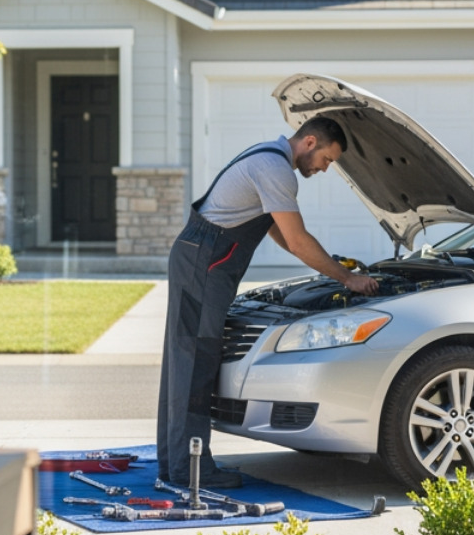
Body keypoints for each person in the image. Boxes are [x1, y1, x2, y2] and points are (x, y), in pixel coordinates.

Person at [156, 116, 379, 488]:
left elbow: (276, 229)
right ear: (310, 142)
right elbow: (296, 239)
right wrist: (346, 277)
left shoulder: (265, 157)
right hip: (203, 263)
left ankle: (175, 464)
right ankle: (189, 470)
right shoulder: (277, 169)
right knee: (196, 361)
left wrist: (325, 263)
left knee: (184, 361)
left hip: (198, 255)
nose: (325, 168)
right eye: (327, 159)